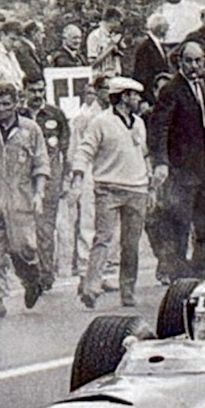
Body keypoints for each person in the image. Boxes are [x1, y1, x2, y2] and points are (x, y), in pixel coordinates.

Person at [0, 83, 49, 319]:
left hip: (19, 196)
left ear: (16, 104)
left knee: (22, 247)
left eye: (6, 104)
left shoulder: (30, 130)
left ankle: (31, 277)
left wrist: (39, 193)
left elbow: (41, 164)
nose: (2, 109)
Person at [72, 76, 150, 308]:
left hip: (137, 189)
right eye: (134, 95)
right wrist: (77, 175)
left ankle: (128, 290)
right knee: (103, 238)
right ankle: (91, 287)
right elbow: (85, 150)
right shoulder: (101, 122)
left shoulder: (138, 123)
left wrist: (150, 182)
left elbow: (143, 154)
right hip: (108, 188)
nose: (138, 99)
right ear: (124, 97)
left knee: (131, 243)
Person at [148, 42, 205, 282]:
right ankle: (180, 279)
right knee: (179, 225)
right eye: (189, 61)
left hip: (204, 169)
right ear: (180, 62)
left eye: (198, 61)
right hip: (181, 170)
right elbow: (159, 128)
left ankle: (203, 275)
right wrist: (161, 162)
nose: (194, 66)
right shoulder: (171, 89)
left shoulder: (201, 88)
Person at [130, 14, 173, 100]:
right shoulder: (145, 47)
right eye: (166, 27)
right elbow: (141, 75)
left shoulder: (158, 46)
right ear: (160, 28)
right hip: (150, 94)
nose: (167, 30)